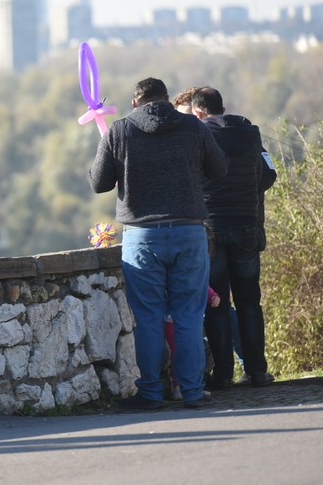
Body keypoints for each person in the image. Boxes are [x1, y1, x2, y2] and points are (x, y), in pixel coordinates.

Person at [88, 77, 228, 410]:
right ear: (167, 99)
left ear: (135, 103)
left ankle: (151, 393)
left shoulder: (119, 131)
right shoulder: (193, 128)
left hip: (142, 236)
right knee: (189, 316)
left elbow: (98, 183)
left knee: (149, 317)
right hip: (189, 232)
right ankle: (192, 391)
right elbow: (220, 170)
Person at [190, 87, 276, 389]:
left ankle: (223, 375)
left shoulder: (199, 134)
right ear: (222, 108)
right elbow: (268, 174)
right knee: (250, 302)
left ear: (198, 112)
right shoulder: (251, 133)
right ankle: (257, 371)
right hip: (247, 227)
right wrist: (245, 191)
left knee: (217, 304)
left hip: (211, 229)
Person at [165, 287, 220, 400]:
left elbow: (200, 283)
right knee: (178, 355)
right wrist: (212, 295)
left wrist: (212, 295)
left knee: (190, 354)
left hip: (184, 319)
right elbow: (199, 282)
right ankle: (180, 386)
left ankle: (191, 386)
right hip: (176, 320)